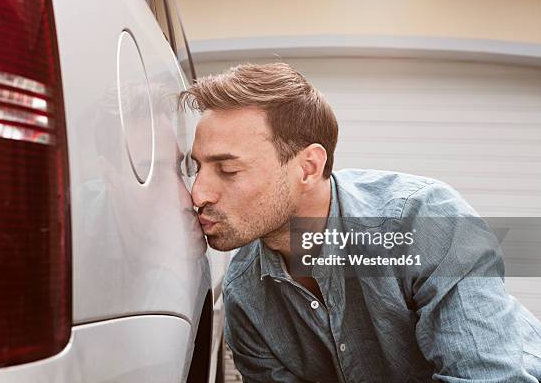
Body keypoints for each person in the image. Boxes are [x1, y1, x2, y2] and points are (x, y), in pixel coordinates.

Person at [179, 62, 541, 382]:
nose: (198, 194)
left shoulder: (421, 220)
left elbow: (489, 377)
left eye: (227, 169)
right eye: (196, 168)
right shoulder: (244, 295)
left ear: (307, 168)